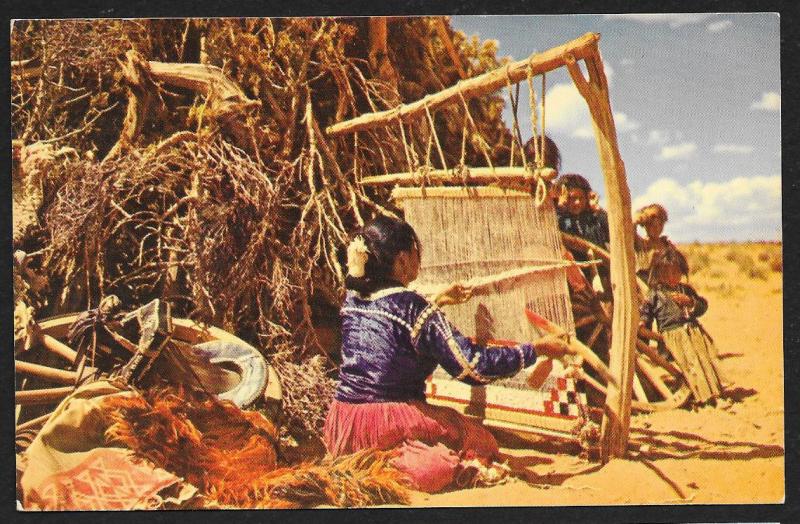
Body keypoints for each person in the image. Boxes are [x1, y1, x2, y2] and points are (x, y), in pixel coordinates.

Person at [324, 215, 573, 493]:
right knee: (480, 444)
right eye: (417, 252)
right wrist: (536, 349)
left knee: (444, 450)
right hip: (391, 422)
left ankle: (361, 462)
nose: (420, 259)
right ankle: (387, 465)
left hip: (343, 423)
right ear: (403, 260)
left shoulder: (352, 299)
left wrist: (440, 300)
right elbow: (473, 366)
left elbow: (394, 323)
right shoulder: (416, 309)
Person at [639, 248, 726, 404]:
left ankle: (715, 393)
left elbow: (703, 305)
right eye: (666, 273)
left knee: (704, 361)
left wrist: (690, 302)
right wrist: (642, 323)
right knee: (689, 365)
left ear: (682, 272)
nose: (672, 277)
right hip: (673, 335)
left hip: (693, 332)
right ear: (659, 273)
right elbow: (646, 313)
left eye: (676, 273)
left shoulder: (686, 290)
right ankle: (702, 397)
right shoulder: (655, 294)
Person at [633, 203, 678, 283]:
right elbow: (629, 231)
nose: (656, 228)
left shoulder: (667, 245)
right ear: (645, 225)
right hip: (646, 286)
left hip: (668, 285)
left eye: (660, 224)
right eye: (651, 224)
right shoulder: (640, 242)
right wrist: (637, 220)